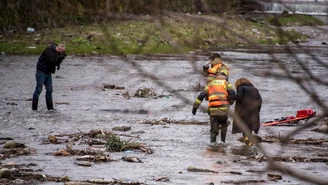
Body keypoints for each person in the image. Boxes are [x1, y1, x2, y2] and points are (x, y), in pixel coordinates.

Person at [192, 73, 235, 145]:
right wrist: (231, 102)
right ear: (225, 78)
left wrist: (195, 108)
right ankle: (223, 142)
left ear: (216, 78)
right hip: (224, 109)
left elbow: (201, 95)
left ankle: (213, 144)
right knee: (224, 124)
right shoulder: (227, 84)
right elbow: (232, 92)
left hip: (213, 110)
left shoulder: (210, 84)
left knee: (213, 129)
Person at [32, 43, 67, 110]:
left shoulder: (56, 53)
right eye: (61, 52)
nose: (61, 53)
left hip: (48, 73)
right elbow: (51, 61)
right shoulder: (49, 50)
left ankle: (50, 108)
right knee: (38, 90)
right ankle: (34, 108)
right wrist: (59, 57)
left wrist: (60, 59)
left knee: (49, 90)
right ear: (59, 48)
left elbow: (56, 63)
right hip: (41, 72)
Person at [231, 78, 262, 146]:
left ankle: (247, 140)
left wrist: (229, 97)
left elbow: (239, 97)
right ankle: (249, 141)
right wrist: (257, 110)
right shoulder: (255, 89)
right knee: (249, 128)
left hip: (244, 111)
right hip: (254, 111)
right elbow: (260, 100)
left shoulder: (241, 88)